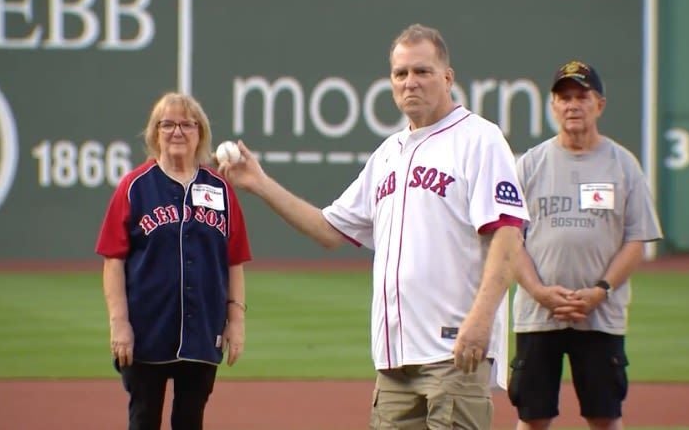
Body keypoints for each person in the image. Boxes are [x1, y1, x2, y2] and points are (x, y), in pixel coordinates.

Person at [218, 24, 529, 429]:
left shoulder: (479, 139)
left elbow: (507, 234)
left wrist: (482, 319)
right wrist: (260, 183)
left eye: (422, 71)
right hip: (394, 361)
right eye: (401, 73)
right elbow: (329, 229)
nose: (410, 82)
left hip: (453, 351)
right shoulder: (387, 154)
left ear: (447, 77)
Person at [509, 60, 663, 430]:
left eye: (582, 96)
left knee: (604, 416)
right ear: (553, 106)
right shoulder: (530, 164)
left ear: (600, 104)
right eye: (564, 98)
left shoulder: (623, 164)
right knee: (532, 417)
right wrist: (539, 292)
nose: (573, 105)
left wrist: (601, 291)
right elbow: (510, 240)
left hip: (600, 315)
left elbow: (636, 239)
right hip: (537, 314)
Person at [95, 92, 252, 430]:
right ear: (155, 133)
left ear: (200, 133)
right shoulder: (134, 187)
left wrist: (236, 321)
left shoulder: (220, 189)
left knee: (190, 419)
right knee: (143, 419)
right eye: (167, 125)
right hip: (147, 328)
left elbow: (234, 260)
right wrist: (119, 323)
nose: (177, 132)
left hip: (203, 329)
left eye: (186, 124)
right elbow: (113, 260)